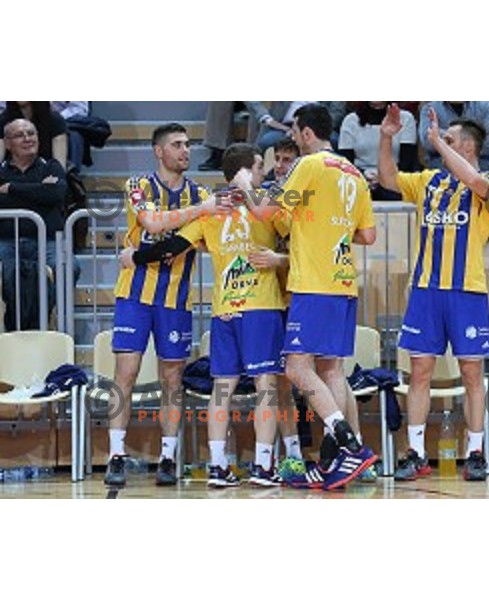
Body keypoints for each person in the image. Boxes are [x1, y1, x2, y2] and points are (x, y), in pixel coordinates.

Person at [122, 143, 289, 488]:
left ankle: (217, 467)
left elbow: (170, 248)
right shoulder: (266, 206)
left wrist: (135, 257)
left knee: (222, 388)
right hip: (260, 306)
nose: (264, 172)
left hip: (224, 309)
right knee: (266, 386)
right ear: (246, 171)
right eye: (259, 167)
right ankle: (262, 467)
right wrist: (280, 259)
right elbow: (295, 241)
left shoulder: (210, 213)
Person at [233, 103, 378, 491]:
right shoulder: (356, 174)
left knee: (296, 368)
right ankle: (335, 461)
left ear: (308, 133)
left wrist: (245, 185)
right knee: (330, 370)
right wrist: (325, 227)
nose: (294, 139)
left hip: (313, 283)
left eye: (296, 133)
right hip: (343, 282)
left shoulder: (309, 166)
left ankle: (347, 443)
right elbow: (367, 236)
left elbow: (264, 213)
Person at [379, 104, 489, 482]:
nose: (440, 143)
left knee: (471, 372)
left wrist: (437, 141)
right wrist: (387, 138)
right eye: (441, 139)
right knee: (420, 371)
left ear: (468, 146)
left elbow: (476, 183)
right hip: (426, 290)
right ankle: (415, 452)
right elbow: (388, 178)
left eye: (450, 139)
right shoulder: (429, 181)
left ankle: (476, 452)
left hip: (466, 291)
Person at [106, 123, 231, 487]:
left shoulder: (200, 193)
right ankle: (116, 454)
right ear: (159, 151)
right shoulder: (139, 185)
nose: (185, 150)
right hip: (134, 295)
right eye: (177, 144)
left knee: (172, 379)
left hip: (176, 298)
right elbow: (151, 221)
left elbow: (208, 239)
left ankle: (167, 456)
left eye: (188, 144)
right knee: (124, 375)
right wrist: (201, 210)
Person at [0, 119, 67, 331]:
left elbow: (56, 194)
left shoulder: (52, 166)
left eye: (31, 133)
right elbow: (45, 195)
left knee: (68, 267)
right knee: (10, 273)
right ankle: (17, 326)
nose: (28, 138)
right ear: (8, 144)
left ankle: (41, 321)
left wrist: (10, 188)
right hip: (6, 242)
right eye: (20, 135)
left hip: (46, 242)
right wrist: (38, 192)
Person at [338, 101, 418, 200]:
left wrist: (384, 178)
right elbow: (345, 161)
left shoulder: (406, 118)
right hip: (360, 178)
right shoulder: (350, 121)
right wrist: (364, 176)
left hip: (394, 178)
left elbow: (407, 161)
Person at [418, 101, 489, 172]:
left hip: (481, 170)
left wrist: (446, 140)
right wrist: (470, 141)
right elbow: (428, 141)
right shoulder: (429, 108)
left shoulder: (487, 106)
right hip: (442, 173)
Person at [0, 102, 67, 170]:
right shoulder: (3, 120)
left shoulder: (55, 120)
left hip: (45, 174)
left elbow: (60, 168)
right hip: (10, 175)